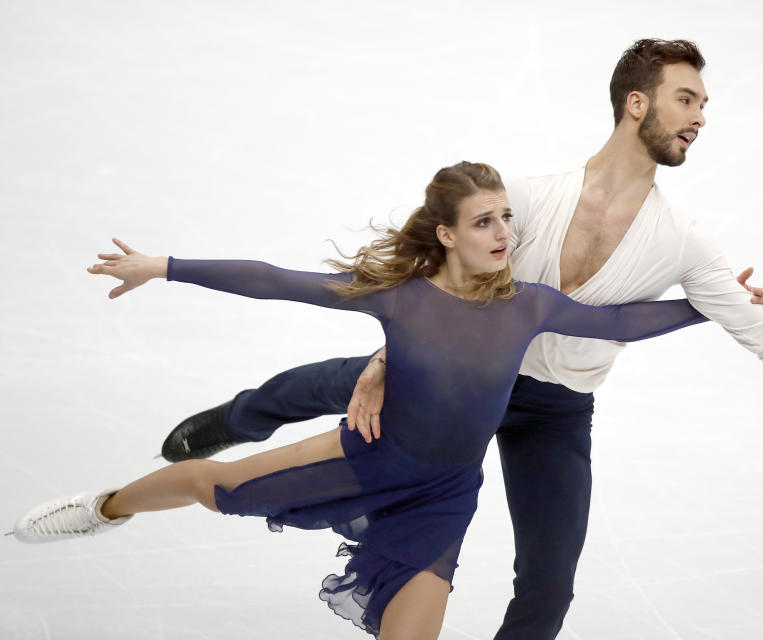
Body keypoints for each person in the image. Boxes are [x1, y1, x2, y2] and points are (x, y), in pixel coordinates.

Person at [153, 38, 763, 640]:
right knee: (312, 385)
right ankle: (237, 419)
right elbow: (431, 278)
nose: (702, 117)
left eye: (703, 104)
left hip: (553, 411)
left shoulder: (684, 243)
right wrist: (387, 357)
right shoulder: (526, 200)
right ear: (637, 104)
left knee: (550, 586)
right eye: (686, 99)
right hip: (454, 374)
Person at [11, 161, 714, 639]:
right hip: (371, 459)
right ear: (446, 234)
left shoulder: (528, 306)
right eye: (483, 223)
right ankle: (102, 508)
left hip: (443, 498)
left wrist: (711, 304)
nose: (504, 234)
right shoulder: (401, 300)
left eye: (505, 218)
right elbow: (274, 280)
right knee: (209, 484)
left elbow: (620, 322)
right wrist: (163, 267)